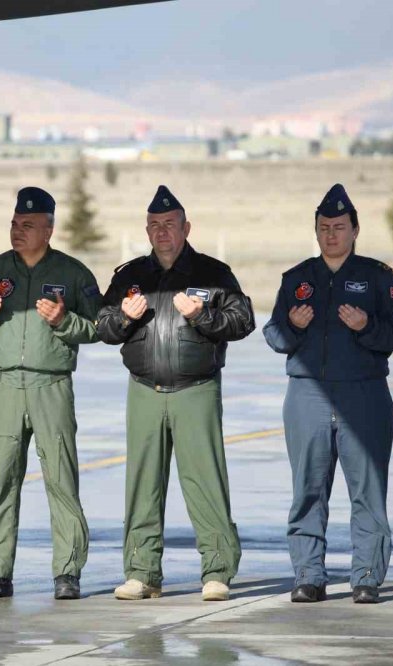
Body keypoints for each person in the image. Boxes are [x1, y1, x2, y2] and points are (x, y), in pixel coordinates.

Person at [96, 185, 255, 602]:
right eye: (154, 225)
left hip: (195, 390)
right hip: (144, 391)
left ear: (186, 227)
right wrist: (122, 319)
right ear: (146, 230)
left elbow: (242, 321)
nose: (161, 231)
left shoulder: (213, 272)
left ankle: (217, 570)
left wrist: (203, 315)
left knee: (205, 481)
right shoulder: (130, 276)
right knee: (142, 483)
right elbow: (103, 328)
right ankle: (141, 571)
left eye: (169, 224)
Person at [263, 184, 393, 604]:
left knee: (367, 490)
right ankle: (308, 575)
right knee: (308, 488)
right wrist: (292, 324)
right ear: (316, 231)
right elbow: (273, 335)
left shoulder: (377, 277)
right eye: (324, 227)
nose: (331, 234)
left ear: (355, 230)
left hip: (363, 395)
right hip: (306, 395)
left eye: (339, 227)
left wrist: (367, 327)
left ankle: (366, 575)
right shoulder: (297, 280)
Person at [0, 186, 101, 601]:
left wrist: (64, 320)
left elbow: (98, 328)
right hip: (5, 387)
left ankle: (67, 572)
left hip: (51, 386)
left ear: (49, 229)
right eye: (14, 224)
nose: (17, 231)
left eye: (27, 225)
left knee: (61, 479)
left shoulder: (73, 274)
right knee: (3, 481)